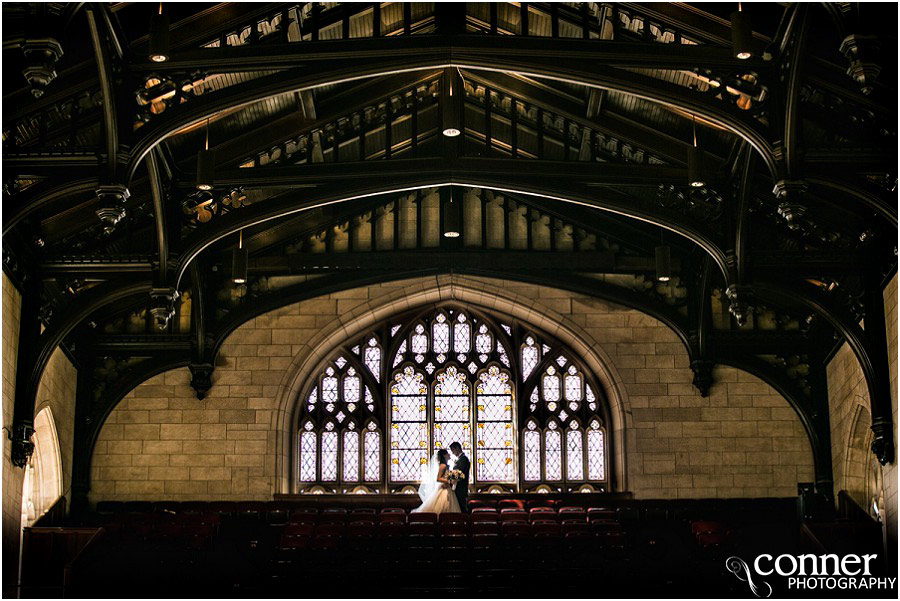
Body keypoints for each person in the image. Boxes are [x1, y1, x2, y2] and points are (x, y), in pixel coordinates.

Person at [412, 448, 461, 514]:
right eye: (447, 453)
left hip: (447, 488)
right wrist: (448, 481)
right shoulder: (442, 465)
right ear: (444, 455)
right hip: (443, 489)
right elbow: (438, 478)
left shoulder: (446, 465)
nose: (449, 454)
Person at [449, 442, 470, 513]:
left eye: (453, 450)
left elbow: (460, 473)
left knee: (462, 508)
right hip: (458, 488)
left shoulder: (463, 459)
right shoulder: (460, 459)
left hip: (461, 488)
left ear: (457, 448)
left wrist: (449, 477)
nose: (452, 453)